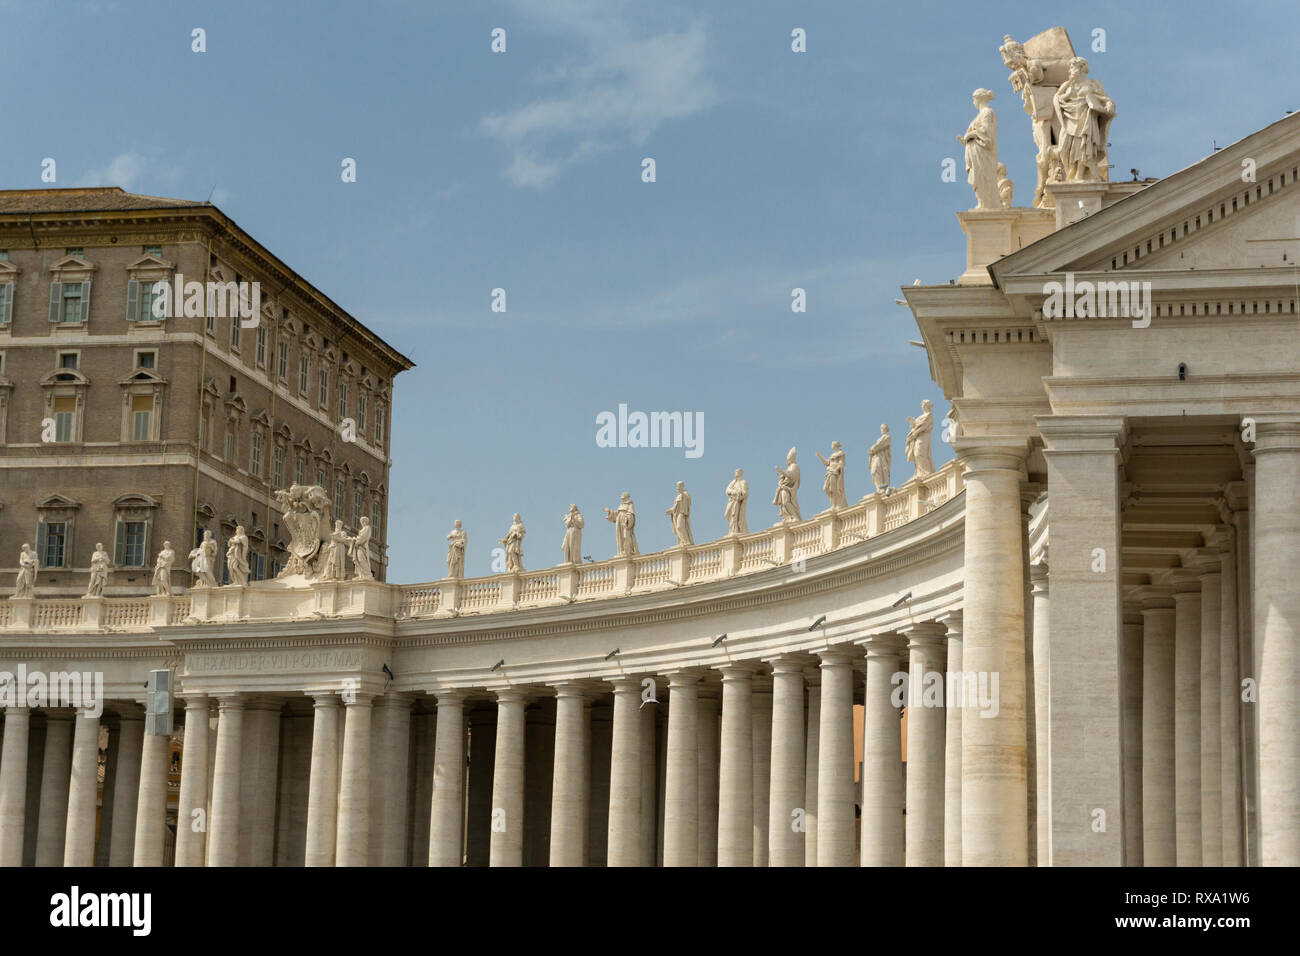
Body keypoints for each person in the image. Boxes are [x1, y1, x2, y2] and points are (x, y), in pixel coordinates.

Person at [959, 88, 1000, 210]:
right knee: (978, 178)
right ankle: (983, 202)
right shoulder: (981, 114)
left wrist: (971, 135)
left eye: (973, 99)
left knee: (984, 177)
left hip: (983, 153)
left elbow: (988, 133)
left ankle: (987, 203)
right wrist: (966, 140)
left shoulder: (988, 112)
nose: (973, 102)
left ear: (979, 99)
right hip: (977, 153)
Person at [816, 441, 848, 509]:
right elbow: (827, 463)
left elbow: (842, 463)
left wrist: (837, 469)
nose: (831, 446)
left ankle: (835, 505)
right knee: (826, 488)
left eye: (832, 445)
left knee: (833, 489)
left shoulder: (841, 453)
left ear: (835, 445)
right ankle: (833, 503)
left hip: (835, 472)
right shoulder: (832, 455)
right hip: (830, 472)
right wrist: (819, 456)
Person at [666, 482, 693, 546]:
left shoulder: (685, 494)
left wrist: (682, 493)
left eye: (679, 485)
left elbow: (688, 503)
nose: (677, 487)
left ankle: (686, 541)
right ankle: (682, 542)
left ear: (682, 486)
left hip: (682, 513)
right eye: (677, 486)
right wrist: (670, 510)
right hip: (676, 514)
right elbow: (675, 506)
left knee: (679, 527)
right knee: (678, 528)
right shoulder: (678, 496)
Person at [724, 469, 749, 535]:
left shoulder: (743, 482)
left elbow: (745, 493)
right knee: (727, 514)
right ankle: (732, 529)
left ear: (741, 473)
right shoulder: (733, 482)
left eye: (737, 472)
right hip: (731, 500)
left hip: (737, 501)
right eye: (735, 472)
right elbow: (727, 490)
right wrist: (733, 492)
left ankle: (735, 530)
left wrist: (740, 497)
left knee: (734, 515)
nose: (736, 473)